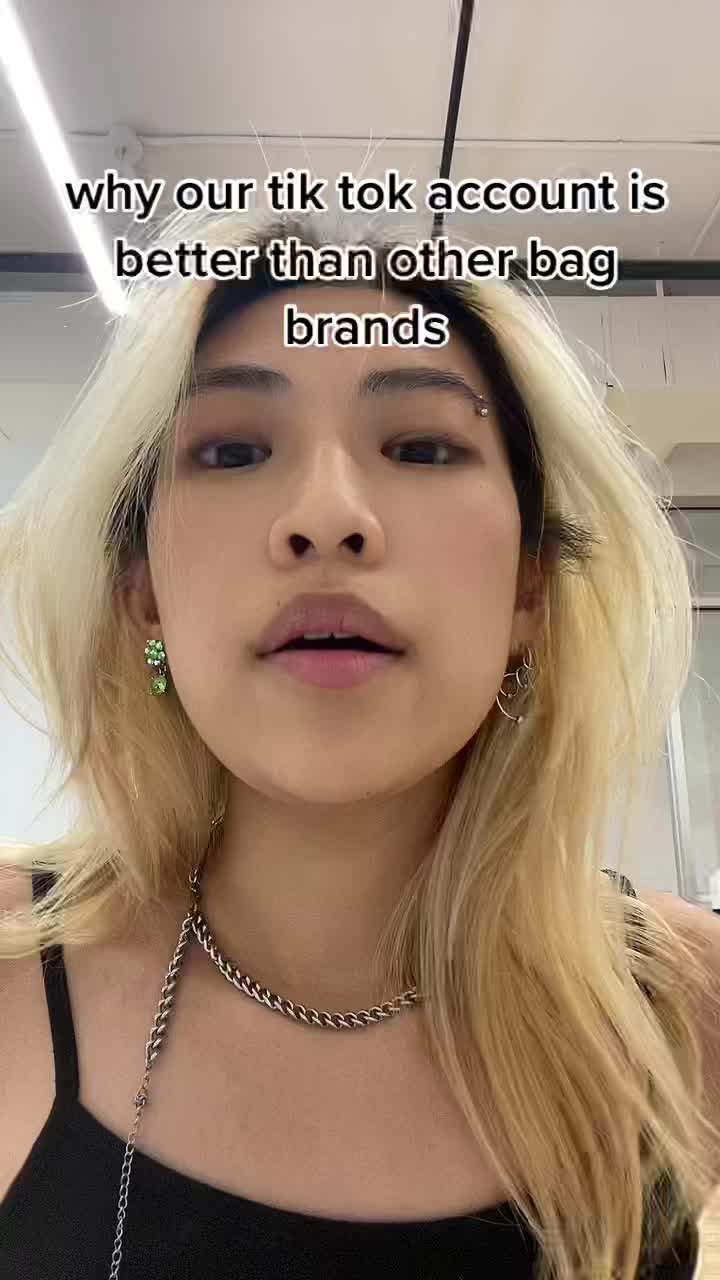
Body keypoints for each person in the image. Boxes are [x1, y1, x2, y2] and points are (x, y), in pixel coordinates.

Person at [0, 208, 718, 1280]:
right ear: (142, 590)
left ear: (530, 588)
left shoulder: (686, 998)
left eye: (422, 447)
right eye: (233, 450)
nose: (327, 515)